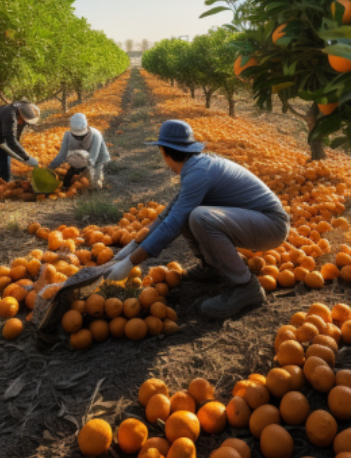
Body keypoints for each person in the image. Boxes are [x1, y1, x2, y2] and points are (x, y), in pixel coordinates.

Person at [105, 119, 290, 319]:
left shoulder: (198, 173)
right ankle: (212, 268)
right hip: (257, 222)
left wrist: (130, 263)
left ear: (164, 152)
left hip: (271, 225)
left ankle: (245, 286)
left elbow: (172, 224)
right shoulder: (197, 167)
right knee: (188, 214)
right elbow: (169, 213)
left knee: (199, 217)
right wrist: (131, 246)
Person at [48, 113, 110, 189]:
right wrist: (50, 168)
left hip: (97, 160)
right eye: (76, 136)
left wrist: (79, 168)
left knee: (94, 186)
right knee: (73, 176)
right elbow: (62, 155)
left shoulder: (95, 135)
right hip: (81, 158)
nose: (79, 138)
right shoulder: (68, 135)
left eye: (81, 136)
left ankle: (98, 177)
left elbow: (93, 158)